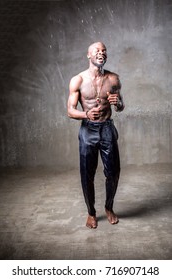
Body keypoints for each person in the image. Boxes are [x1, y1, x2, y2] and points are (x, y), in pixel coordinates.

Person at [67, 42, 125, 229]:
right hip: (88, 130)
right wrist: (86, 114)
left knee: (114, 173)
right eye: (97, 51)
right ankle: (91, 213)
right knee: (87, 175)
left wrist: (118, 103)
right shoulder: (78, 80)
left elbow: (121, 106)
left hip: (107, 128)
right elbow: (70, 111)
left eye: (104, 51)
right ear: (88, 55)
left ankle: (109, 207)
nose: (101, 53)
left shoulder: (114, 79)